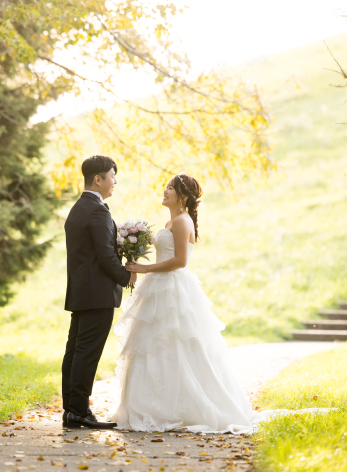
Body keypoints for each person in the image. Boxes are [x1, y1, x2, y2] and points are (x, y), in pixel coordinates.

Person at [112, 173, 296, 433]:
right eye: (165, 187)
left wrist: (145, 268)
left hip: (172, 289)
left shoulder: (182, 221)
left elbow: (180, 262)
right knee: (153, 346)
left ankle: (180, 406)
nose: (164, 191)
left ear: (183, 196)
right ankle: (152, 405)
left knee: (177, 345)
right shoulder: (171, 220)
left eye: (170, 188)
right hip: (159, 287)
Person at [61, 155, 136, 429]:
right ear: (98, 179)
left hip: (81, 293)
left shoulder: (77, 208)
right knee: (86, 353)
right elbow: (105, 255)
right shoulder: (97, 210)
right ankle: (80, 411)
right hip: (98, 293)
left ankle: (71, 410)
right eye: (112, 176)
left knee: (75, 352)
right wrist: (127, 277)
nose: (114, 182)